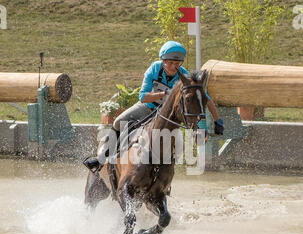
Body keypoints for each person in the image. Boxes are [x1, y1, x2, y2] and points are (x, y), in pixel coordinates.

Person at [83, 40, 224, 172]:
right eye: (170, 62)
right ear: (163, 61)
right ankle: (101, 158)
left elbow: (206, 99)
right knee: (118, 121)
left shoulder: (184, 76)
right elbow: (143, 97)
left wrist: (218, 120)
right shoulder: (154, 69)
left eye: (177, 63)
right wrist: (165, 93)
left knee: (179, 145)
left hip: (167, 116)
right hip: (147, 107)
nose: (174, 66)